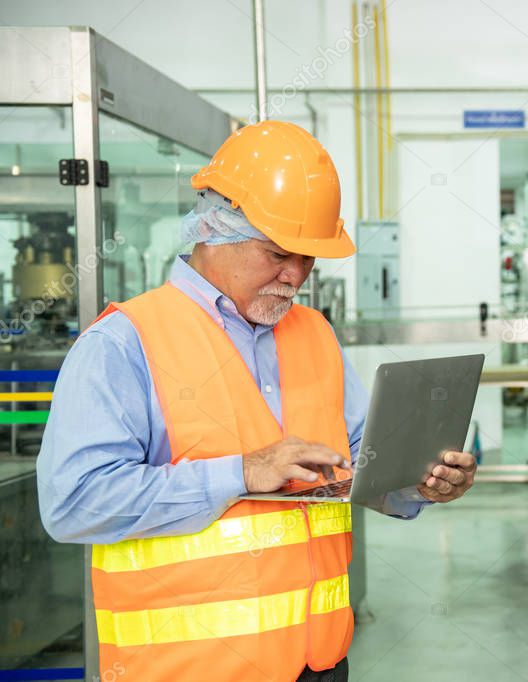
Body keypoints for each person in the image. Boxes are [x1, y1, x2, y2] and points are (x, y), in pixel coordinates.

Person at [37, 120, 477, 682]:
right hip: (189, 670)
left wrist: (420, 480)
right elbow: (74, 502)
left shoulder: (314, 331)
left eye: (309, 259)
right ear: (213, 231)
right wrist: (242, 472)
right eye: (277, 254)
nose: (295, 276)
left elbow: (358, 459)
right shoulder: (123, 343)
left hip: (320, 663)